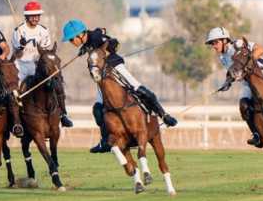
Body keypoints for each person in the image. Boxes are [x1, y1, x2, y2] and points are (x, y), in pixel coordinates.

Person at [61, 19, 178, 153]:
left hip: (115, 66)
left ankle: (164, 115)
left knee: (136, 86)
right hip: (103, 77)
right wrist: (85, 48)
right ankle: (105, 140)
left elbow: (110, 39)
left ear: (80, 35)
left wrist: (108, 47)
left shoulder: (95, 36)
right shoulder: (87, 41)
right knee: (98, 108)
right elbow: (101, 30)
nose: (71, 42)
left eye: (71, 39)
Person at [12, 1, 73, 128]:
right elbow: (17, 54)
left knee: (56, 84)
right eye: (32, 15)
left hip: (37, 65)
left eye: (37, 15)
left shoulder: (44, 30)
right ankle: (16, 122)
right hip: (21, 65)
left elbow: (45, 53)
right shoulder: (19, 31)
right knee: (14, 93)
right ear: (27, 16)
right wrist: (21, 45)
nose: (35, 18)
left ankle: (63, 114)